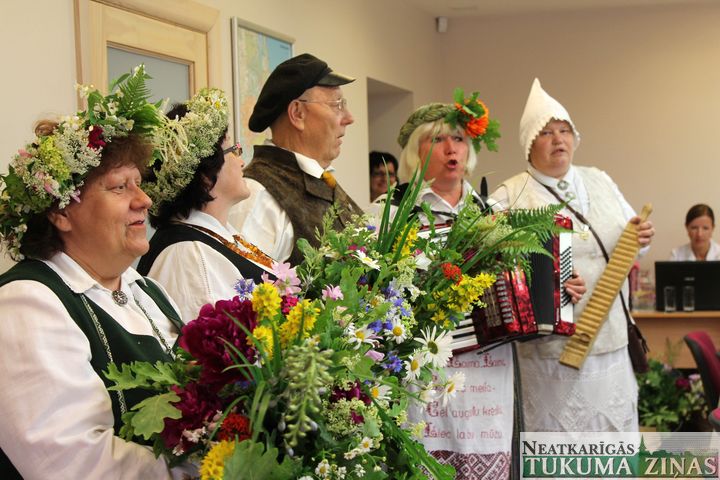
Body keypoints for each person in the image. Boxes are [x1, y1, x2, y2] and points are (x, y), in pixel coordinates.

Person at [0, 67, 193, 478]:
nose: (143, 200)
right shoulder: (27, 303)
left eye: (139, 184)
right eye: (119, 186)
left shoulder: (149, 291)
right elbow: (74, 464)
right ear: (60, 212)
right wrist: (204, 467)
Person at [490, 78, 655, 432]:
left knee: (611, 442)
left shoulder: (600, 179)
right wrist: (546, 284)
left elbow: (629, 238)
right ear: (530, 144)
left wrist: (641, 236)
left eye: (564, 130)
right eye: (547, 133)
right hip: (553, 354)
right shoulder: (510, 195)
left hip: (611, 339)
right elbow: (493, 269)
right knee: (559, 446)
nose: (558, 139)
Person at [372, 98, 517, 480]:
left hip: (489, 368)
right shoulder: (388, 211)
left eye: (459, 139)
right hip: (424, 368)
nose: (451, 149)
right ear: (414, 152)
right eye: (436, 140)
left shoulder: (493, 211)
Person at [137, 89, 273, 322]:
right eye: (232, 150)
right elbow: (212, 347)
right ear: (205, 175)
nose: (241, 161)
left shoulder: (219, 235)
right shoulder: (186, 254)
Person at [228, 53, 364, 265]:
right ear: (297, 113)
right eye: (337, 104)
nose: (349, 118)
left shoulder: (321, 180)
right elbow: (244, 292)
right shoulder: (257, 197)